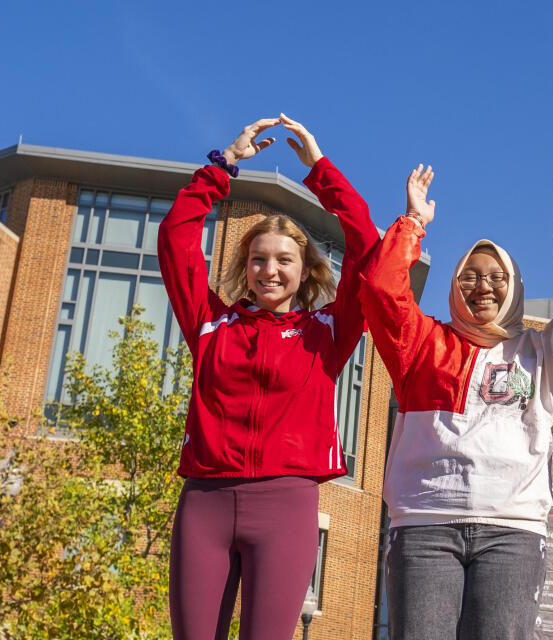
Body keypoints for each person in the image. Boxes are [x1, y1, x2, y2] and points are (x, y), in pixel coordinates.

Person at [361, 165, 553, 640]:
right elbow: (380, 287)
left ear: (515, 285)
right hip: (424, 524)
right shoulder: (420, 343)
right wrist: (412, 223)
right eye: (469, 278)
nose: (483, 286)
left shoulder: (543, 353)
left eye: (497, 276)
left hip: (512, 532)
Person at [157, 116, 377, 640]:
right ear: (246, 267)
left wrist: (320, 169)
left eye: (284, 259)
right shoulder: (210, 324)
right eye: (258, 260)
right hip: (205, 501)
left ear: (306, 271)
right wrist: (223, 166)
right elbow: (176, 236)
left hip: (287, 505)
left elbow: (367, 245)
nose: (269, 270)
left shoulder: (327, 330)